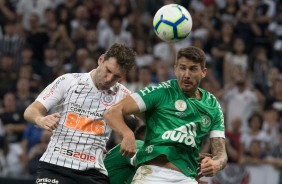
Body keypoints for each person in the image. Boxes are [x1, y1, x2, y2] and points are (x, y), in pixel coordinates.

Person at [104, 46, 227, 184]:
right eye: (182, 68)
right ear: (175, 69)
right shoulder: (160, 92)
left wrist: (216, 164)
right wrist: (127, 134)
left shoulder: (212, 105)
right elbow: (112, 112)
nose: (186, 74)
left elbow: (221, 154)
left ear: (203, 72)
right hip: (152, 175)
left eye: (193, 69)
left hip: (186, 178)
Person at [23, 43, 136, 184]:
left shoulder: (124, 95)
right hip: (55, 165)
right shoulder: (69, 81)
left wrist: (129, 134)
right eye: (108, 70)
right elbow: (31, 110)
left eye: (116, 77)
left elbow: (149, 119)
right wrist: (41, 119)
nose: (109, 79)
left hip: (93, 172)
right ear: (101, 60)